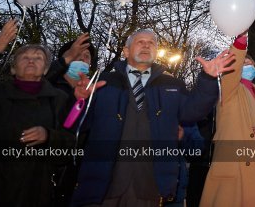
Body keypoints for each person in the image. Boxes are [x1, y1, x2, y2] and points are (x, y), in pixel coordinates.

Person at [70, 29, 233, 206]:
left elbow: (193, 112)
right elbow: (74, 126)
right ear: (126, 51)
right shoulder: (103, 82)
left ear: (156, 52)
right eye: (140, 42)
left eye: (152, 43)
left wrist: (208, 79)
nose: (146, 45)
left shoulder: (173, 85)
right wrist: (80, 102)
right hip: (102, 189)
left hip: (151, 189)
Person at [0, 20, 76, 207]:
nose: (31, 60)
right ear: (13, 68)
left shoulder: (60, 99)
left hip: (38, 191)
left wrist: (49, 136)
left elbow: (71, 144)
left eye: (38, 57)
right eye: (24, 57)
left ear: (46, 69)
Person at [199, 31, 255, 206]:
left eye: (249, 62)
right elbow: (232, 72)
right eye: (242, 62)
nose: (246, 65)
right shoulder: (227, 90)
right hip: (232, 171)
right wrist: (241, 40)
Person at [47, 33, 99, 207]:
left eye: (87, 56)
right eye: (78, 54)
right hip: (41, 171)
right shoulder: (47, 87)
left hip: (76, 178)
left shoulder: (95, 96)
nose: (83, 58)